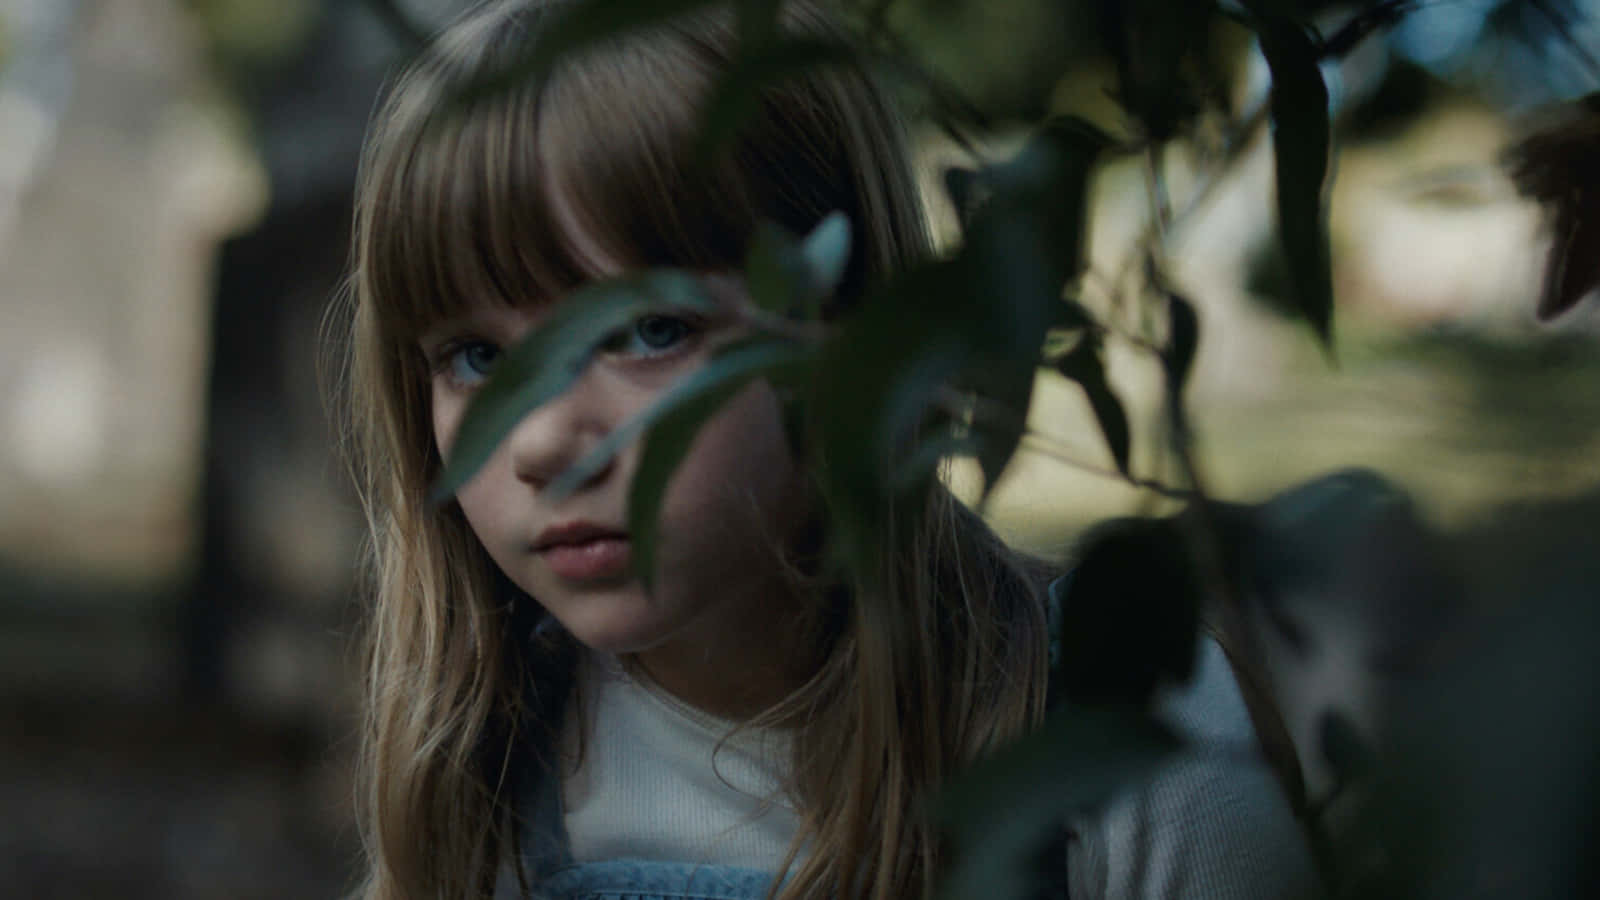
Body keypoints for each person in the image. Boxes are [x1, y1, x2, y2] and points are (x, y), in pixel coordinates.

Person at [333, 1, 1321, 898]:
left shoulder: (1131, 738)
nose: (545, 439)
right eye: (474, 357)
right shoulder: (488, 758)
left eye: (650, 332)